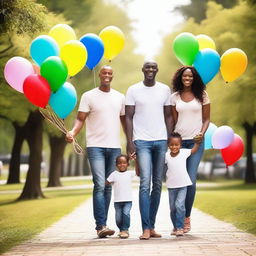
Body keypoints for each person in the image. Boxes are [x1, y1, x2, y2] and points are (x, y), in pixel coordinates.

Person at [65, 65, 125, 238]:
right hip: (95, 147)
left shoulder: (120, 97)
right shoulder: (88, 96)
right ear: (99, 75)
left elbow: (124, 122)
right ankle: (100, 225)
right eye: (104, 73)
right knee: (99, 184)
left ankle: (104, 225)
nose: (107, 75)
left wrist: (131, 143)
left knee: (107, 186)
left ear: (113, 76)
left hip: (114, 147)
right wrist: (72, 133)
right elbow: (80, 119)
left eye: (110, 73)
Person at [125, 60, 173, 240]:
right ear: (142, 69)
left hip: (160, 141)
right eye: (147, 67)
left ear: (157, 70)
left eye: (153, 67)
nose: (150, 70)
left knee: (158, 184)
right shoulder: (133, 90)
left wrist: (169, 138)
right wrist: (130, 142)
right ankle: (145, 227)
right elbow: (128, 117)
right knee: (145, 182)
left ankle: (152, 226)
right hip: (142, 141)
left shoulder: (164, 90)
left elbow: (168, 116)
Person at [171, 66, 210, 233]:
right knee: (178, 179)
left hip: (195, 142)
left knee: (191, 180)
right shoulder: (174, 97)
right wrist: (171, 141)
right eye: (185, 76)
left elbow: (207, 118)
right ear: (180, 78)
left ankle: (186, 217)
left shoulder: (202, 95)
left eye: (190, 76)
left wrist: (201, 133)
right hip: (179, 144)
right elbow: (174, 121)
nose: (187, 79)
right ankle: (178, 220)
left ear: (194, 78)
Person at [165, 132, 201, 237]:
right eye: (171, 145)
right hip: (171, 186)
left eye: (176, 145)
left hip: (183, 185)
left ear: (180, 145)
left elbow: (194, 150)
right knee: (172, 208)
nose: (174, 147)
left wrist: (197, 143)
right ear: (168, 145)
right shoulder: (166, 155)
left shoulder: (184, 152)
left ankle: (180, 227)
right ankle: (175, 227)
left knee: (179, 205)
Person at [106, 154, 134, 239]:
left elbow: (139, 173)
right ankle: (121, 229)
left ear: (128, 164)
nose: (122, 165)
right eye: (119, 163)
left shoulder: (130, 173)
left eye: (124, 163)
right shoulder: (114, 174)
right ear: (116, 164)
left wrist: (136, 161)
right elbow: (107, 182)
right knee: (118, 218)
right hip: (117, 201)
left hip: (128, 200)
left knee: (126, 214)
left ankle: (125, 230)